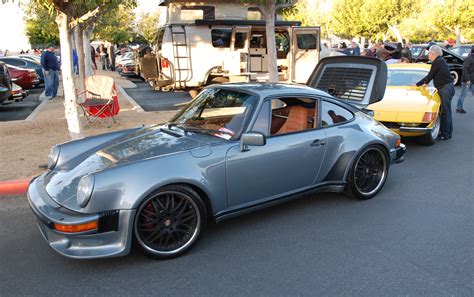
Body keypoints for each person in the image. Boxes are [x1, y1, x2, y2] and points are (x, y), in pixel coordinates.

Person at [416, 45, 455, 140]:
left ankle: (446, 134)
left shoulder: (438, 62)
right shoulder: (439, 61)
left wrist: (421, 84)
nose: (428, 55)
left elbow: (430, 76)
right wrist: (418, 84)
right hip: (446, 88)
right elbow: (430, 76)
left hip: (445, 89)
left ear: (432, 53)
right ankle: (447, 131)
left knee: (445, 111)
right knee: (446, 111)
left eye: (428, 53)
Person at [455, 46, 474, 114]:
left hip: (472, 80)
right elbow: (465, 69)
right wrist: (468, 80)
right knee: (463, 94)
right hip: (467, 81)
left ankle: (459, 107)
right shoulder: (469, 59)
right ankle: (459, 108)